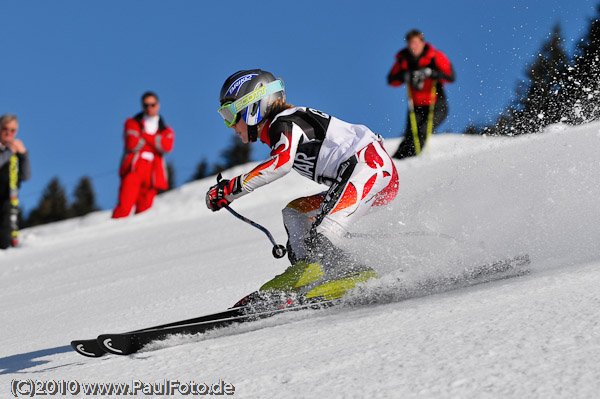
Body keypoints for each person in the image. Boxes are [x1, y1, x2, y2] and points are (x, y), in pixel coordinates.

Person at [206, 70, 399, 308]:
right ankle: (307, 272)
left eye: (230, 114)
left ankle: (357, 275)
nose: (230, 125)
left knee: (323, 235)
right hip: (357, 175)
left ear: (252, 105)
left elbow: (280, 163)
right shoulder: (281, 126)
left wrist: (231, 189)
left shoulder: (285, 122)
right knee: (295, 213)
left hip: (368, 169)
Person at [387, 29, 455, 159]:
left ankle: (414, 161)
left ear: (422, 43)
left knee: (422, 131)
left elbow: (450, 76)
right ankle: (396, 162)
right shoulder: (404, 60)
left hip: (436, 104)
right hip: (416, 107)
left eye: (416, 43)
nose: (413, 46)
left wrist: (432, 73)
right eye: (410, 43)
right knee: (409, 136)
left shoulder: (434, 56)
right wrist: (404, 76)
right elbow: (391, 80)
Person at [112, 91, 175, 218]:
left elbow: (166, 146)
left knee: (144, 212)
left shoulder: (166, 129)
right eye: (146, 105)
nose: (149, 108)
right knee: (124, 208)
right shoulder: (132, 122)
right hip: (134, 169)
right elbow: (132, 143)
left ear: (158, 105)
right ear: (142, 106)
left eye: (152, 105)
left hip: (153, 173)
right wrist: (156, 141)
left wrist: (144, 136)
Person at [0, 114, 31, 249]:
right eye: (5, 128)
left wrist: (23, 155)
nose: (8, 133)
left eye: (12, 130)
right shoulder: (8, 151)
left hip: (9, 203)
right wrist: (10, 151)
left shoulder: (16, 152)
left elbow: (25, 176)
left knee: (6, 243)